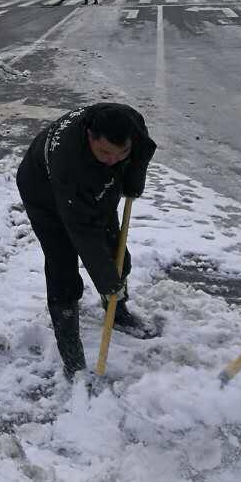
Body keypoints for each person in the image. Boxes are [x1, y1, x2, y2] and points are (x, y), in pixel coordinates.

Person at [15, 103, 159, 378]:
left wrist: (132, 181)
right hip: (43, 192)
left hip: (92, 186)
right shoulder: (70, 163)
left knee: (116, 252)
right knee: (63, 267)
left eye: (121, 153)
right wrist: (106, 280)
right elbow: (82, 231)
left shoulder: (131, 124)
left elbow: (139, 155)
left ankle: (117, 311)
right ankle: (71, 353)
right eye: (105, 152)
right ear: (90, 136)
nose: (113, 160)